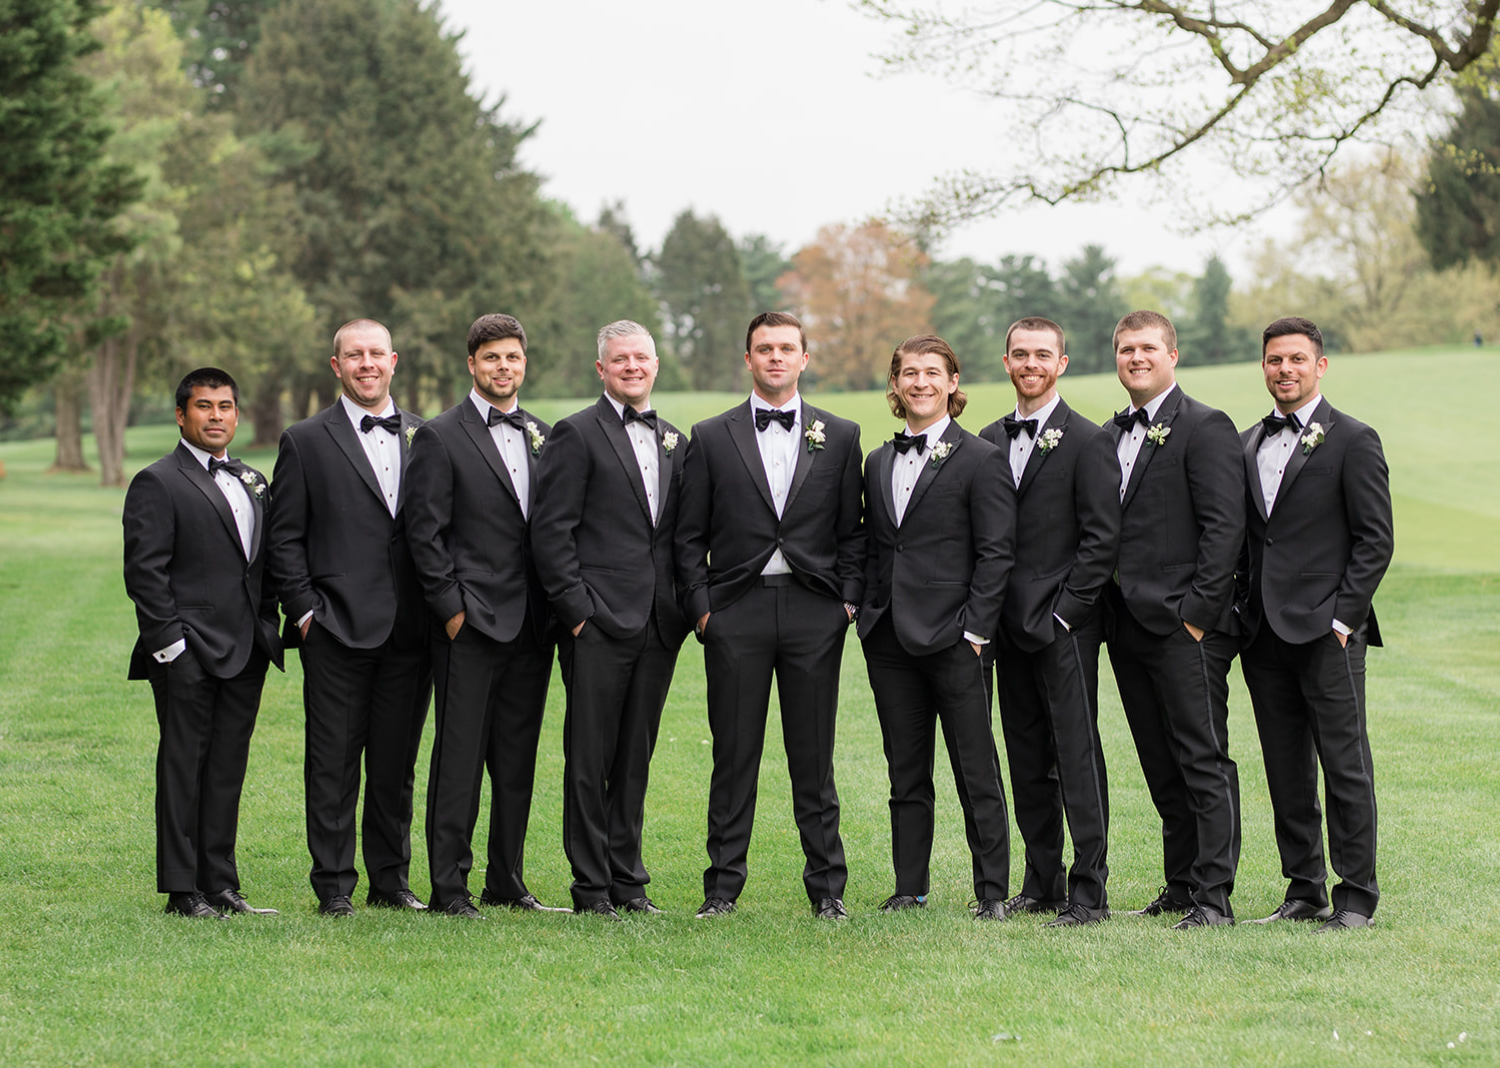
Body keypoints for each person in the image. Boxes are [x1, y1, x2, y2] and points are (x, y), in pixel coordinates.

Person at [675, 311, 866, 920]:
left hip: (815, 611)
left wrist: (846, 603)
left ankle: (828, 891)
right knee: (734, 754)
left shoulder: (840, 435)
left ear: (804, 358)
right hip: (737, 612)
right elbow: (688, 536)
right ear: (749, 360)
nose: (776, 358)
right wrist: (704, 611)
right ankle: (721, 890)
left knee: (814, 756)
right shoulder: (710, 436)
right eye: (765, 349)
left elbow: (853, 532)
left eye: (787, 348)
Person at [266, 319, 432, 918]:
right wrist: (306, 612)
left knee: (396, 764)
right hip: (334, 628)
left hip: (411, 631)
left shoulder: (424, 435)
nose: (366, 364)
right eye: (353, 355)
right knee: (332, 761)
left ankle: (391, 880)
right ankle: (334, 885)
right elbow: (284, 538)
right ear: (336, 366)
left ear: (394, 361)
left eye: (375, 354)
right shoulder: (305, 440)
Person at [1237, 316, 1393, 933]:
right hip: (1263, 634)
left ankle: (1355, 896)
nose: (1285, 370)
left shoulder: (1354, 439)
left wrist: (1342, 619)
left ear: (1320, 365)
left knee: (1345, 761)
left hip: (1329, 633)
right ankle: (1303, 890)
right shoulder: (1249, 441)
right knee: (1284, 766)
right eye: (1275, 360)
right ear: (1265, 366)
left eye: (1297, 359)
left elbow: (1374, 540)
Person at [531, 321, 691, 920]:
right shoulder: (575, 433)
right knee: (590, 756)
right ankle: (591, 888)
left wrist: (678, 609)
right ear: (601, 369)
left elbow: (677, 536)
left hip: (657, 624)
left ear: (656, 365)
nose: (631, 367)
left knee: (635, 758)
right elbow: (551, 533)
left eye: (641, 358)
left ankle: (630, 881)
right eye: (619, 359)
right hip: (596, 622)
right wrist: (577, 613)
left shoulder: (675, 439)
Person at [405, 313, 560, 918]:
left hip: (531, 625)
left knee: (517, 760)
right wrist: (450, 611)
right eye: (491, 357)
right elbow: (425, 535)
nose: (503, 367)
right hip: (467, 624)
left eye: (513, 358)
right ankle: (450, 886)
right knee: (460, 758)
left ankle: (507, 880)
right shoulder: (440, 436)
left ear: (525, 363)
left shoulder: (544, 435)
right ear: (471, 364)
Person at [859, 335, 1015, 920]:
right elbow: (878, 546)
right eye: (908, 373)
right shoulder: (877, 461)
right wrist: (868, 615)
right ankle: (910, 886)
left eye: (932, 372)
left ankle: (992, 892)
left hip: (957, 640)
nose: (920, 382)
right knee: (905, 769)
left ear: (953, 383)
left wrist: (976, 630)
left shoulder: (980, 458)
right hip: (889, 640)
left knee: (976, 768)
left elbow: (997, 553)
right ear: (895, 386)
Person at [122, 367, 284, 918]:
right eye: (204, 406)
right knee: (184, 766)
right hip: (186, 651)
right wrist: (172, 650)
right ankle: (181, 890)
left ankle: (220, 884)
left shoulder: (252, 479)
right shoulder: (157, 480)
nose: (216, 416)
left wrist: (267, 627)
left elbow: (261, 567)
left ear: (237, 415)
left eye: (225, 407)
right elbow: (146, 574)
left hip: (246, 652)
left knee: (226, 769)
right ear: (181, 414)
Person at [1103, 310, 1245, 929]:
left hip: (1185, 625)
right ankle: (1182, 883)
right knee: (1158, 759)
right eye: (1126, 348)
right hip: (1125, 625)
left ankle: (1215, 896)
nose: (1136, 357)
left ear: (1172, 355)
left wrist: (1197, 617)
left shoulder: (1206, 426)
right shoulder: (1108, 434)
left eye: (1148, 348)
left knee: (1202, 756)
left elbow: (1225, 528)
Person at [978, 317, 1119, 927]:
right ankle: (1042, 883)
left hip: (1064, 625)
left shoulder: (1088, 440)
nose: (1030, 363)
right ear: (1006, 362)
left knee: (1076, 752)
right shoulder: (984, 438)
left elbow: (1101, 540)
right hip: (1004, 625)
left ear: (1061, 363)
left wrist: (1066, 613)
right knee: (1026, 751)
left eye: (1042, 354)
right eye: (1020, 353)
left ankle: (1089, 889)